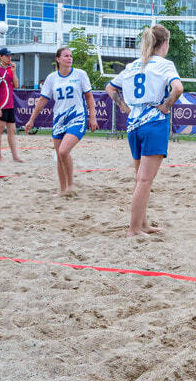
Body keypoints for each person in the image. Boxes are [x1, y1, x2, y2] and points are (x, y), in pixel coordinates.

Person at [107, 24, 183, 236]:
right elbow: (178, 88)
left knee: (140, 178)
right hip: (153, 123)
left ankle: (143, 223)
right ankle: (133, 229)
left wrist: (124, 107)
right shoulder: (164, 65)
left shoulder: (133, 65)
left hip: (134, 124)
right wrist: (167, 106)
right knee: (144, 180)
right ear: (164, 43)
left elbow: (110, 87)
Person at [24, 46, 97, 195]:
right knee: (59, 156)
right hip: (59, 120)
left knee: (64, 151)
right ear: (58, 59)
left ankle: (71, 186)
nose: (69, 58)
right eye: (66, 56)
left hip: (77, 117)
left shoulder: (80, 74)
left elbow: (89, 96)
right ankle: (63, 189)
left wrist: (93, 117)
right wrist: (31, 120)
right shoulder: (52, 78)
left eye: (71, 56)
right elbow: (43, 100)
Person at [0, 48, 23, 162]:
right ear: (0, 56)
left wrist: (14, 72)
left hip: (10, 105)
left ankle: (15, 156)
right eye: (7, 56)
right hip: (2, 104)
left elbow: (16, 85)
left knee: (12, 130)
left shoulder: (10, 69)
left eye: (10, 56)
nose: (9, 58)